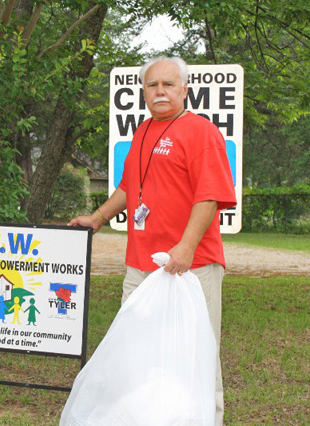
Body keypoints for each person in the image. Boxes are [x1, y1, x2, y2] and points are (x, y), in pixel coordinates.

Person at [69, 56, 236, 425]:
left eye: (168, 84)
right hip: (141, 264)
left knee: (197, 353)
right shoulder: (143, 131)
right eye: (152, 85)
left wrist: (186, 247)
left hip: (191, 266)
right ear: (143, 91)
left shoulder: (201, 132)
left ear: (185, 89)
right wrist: (97, 218)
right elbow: (130, 187)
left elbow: (209, 196)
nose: (160, 91)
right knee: (137, 352)